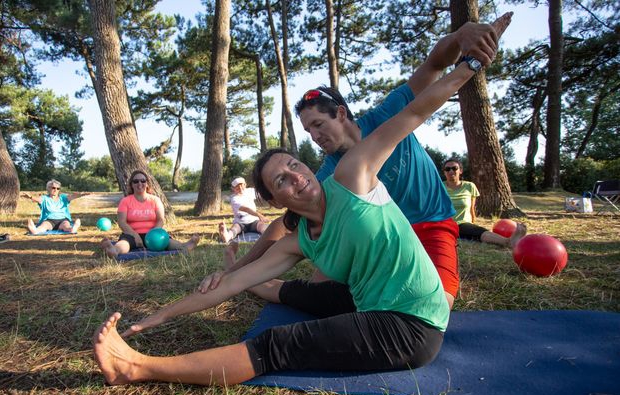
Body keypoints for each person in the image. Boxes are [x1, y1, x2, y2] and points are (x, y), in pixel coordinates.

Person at [92, 13, 510, 386]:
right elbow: (244, 272)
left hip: (412, 319)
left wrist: (470, 60)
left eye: (295, 163)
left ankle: (136, 368)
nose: (297, 173)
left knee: (277, 343)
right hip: (381, 302)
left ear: (340, 114)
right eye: (282, 179)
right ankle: (261, 296)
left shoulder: (352, 171)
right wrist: (163, 313)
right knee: (314, 294)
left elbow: (419, 108)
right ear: (277, 200)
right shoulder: (308, 220)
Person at [200, 18, 510, 310]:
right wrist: (234, 271)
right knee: (323, 286)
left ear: (342, 113)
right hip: (378, 242)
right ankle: (269, 287)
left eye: (319, 124)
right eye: (309, 131)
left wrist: (460, 36)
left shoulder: (389, 113)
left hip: (431, 226)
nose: (315, 136)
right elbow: (283, 226)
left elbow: (435, 65)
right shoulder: (326, 174)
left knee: (436, 305)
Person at [100, 170, 200, 258]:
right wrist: (135, 235)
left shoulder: (155, 200)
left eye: (143, 181)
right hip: (131, 233)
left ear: (147, 184)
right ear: (131, 185)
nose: (140, 183)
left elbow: (160, 220)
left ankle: (185, 246)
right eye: (136, 181)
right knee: (125, 243)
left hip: (153, 233)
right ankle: (114, 250)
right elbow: (122, 222)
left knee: (168, 242)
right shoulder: (125, 201)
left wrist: (154, 234)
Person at [443, 159, 526, 248]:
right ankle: (507, 242)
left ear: (460, 171)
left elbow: (472, 208)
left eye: (454, 168)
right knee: (475, 232)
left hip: (463, 223)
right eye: (447, 169)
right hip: (446, 224)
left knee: (478, 231)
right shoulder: (439, 186)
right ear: (444, 172)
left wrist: (472, 224)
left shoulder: (469, 186)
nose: (451, 171)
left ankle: (508, 241)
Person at [21, 180, 88, 234]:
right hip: (49, 220)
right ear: (48, 188)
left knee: (66, 227)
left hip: (63, 219)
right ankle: (34, 230)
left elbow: (72, 196)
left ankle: (73, 228)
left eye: (58, 188)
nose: (55, 190)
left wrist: (81, 195)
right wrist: (30, 197)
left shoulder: (63, 197)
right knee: (43, 227)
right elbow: (38, 199)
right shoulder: (45, 198)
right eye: (53, 188)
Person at [218, 177, 270, 243]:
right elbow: (246, 209)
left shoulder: (250, 191)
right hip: (240, 222)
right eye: (237, 187)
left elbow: (262, 193)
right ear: (233, 189)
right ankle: (227, 236)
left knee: (261, 226)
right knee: (235, 228)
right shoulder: (234, 199)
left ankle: (267, 234)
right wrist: (259, 215)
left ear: (245, 184)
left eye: (241, 185)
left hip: (254, 221)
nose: (240, 188)